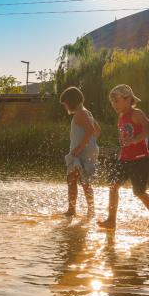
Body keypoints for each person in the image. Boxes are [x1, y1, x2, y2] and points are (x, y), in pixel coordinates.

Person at [98, 84, 149, 229]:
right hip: (124, 158)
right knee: (113, 185)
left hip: (140, 159)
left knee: (138, 192)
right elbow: (124, 138)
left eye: (116, 101)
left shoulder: (136, 113)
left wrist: (134, 140)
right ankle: (111, 220)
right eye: (112, 102)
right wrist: (121, 152)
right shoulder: (121, 117)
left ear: (128, 99)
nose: (114, 105)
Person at [60, 87, 101, 217]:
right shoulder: (87, 112)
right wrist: (91, 143)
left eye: (65, 103)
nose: (65, 106)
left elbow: (90, 130)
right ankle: (91, 210)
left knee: (71, 179)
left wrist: (79, 147)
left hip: (79, 152)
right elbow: (97, 130)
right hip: (88, 150)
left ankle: (71, 210)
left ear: (70, 101)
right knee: (85, 181)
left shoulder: (80, 114)